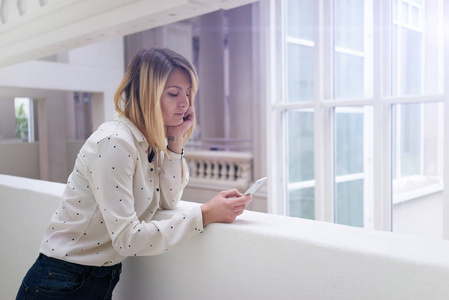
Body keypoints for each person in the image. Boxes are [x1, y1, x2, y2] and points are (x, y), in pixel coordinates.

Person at [16, 47, 252, 300]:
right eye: (174, 93)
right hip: (61, 279)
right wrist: (205, 215)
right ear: (145, 94)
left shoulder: (148, 143)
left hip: (98, 277)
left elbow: (169, 200)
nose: (185, 103)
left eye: (188, 93)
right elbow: (127, 239)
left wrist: (176, 139)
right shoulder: (115, 142)